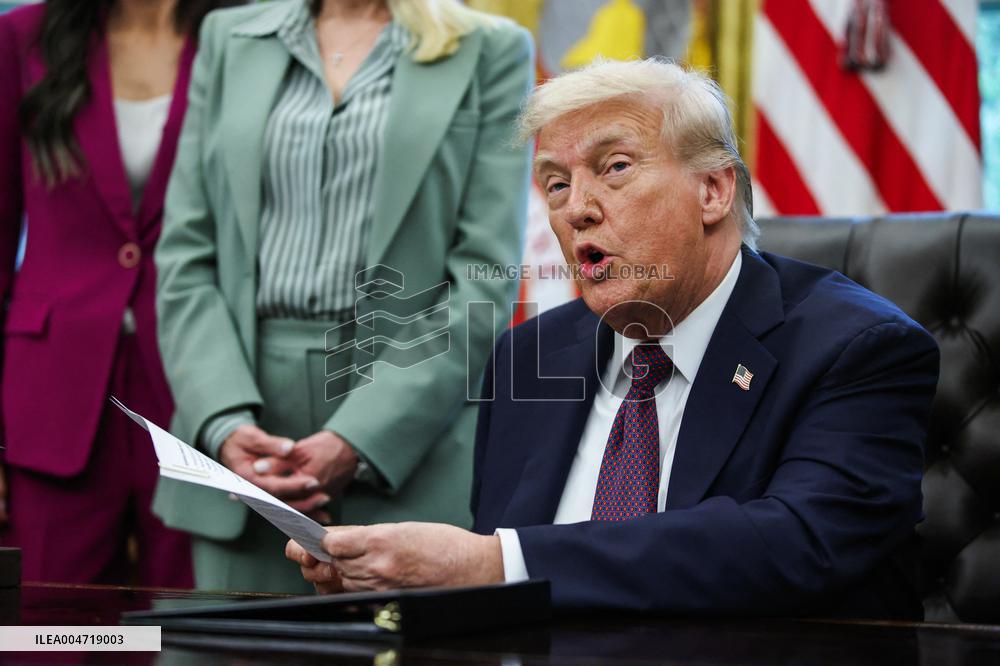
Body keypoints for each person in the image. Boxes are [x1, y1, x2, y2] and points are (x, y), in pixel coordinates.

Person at [286, 58, 940, 619]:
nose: (577, 209)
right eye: (557, 183)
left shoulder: (858, 348)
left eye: (616, 166)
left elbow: (796, 544)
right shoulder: (530, 356)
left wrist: (493, 563)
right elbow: (502, 590)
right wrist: (403, 586)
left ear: (712, 189)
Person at [154, 0, 533, 593]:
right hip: (244, 441)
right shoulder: (229, 35)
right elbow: (185, 251)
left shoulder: (490, 47)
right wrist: (223, 420)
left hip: (409, 435)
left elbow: (483, 278)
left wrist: (359, 439)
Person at [0, 0, 241, 585]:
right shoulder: (20, 36)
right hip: (53, 395)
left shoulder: (244, 35)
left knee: (185, 632)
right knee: (50, 636)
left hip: (202, 389)